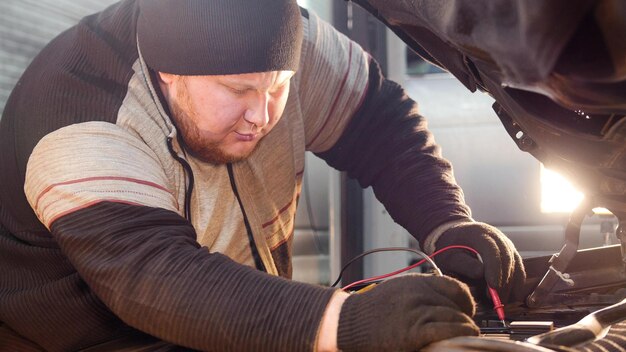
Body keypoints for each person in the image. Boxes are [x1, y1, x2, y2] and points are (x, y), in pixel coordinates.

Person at [0, 0, 526, 351]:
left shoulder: (286, 43)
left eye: (278, 88)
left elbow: (380, 126)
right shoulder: (80, 118)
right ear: (169, 72)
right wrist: (345, 323)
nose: (263, 114)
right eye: (237, 92)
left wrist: (446, 224)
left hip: (234, 326)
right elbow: (154, 275)